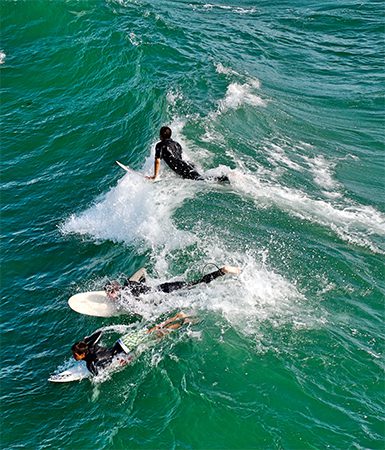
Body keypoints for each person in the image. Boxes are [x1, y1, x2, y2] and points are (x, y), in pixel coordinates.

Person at [71, 312, 192, 376]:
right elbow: (99, 333)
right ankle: (177, 316)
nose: (74, 357)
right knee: (153, 331)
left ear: (82, 354)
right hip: (123, 341)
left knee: (159, 335)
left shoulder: (90, 363)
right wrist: (87, 340)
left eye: (75, 355)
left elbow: (98, 375)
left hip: (127, 347)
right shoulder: (91, 346)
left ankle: (182, 321)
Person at [104, 265, 241, 301]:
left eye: (109, 293)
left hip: (167, 293)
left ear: (115, 290)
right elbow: (143, 270)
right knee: (198, 283)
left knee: (201, 285)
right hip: (165, 286)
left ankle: (222, 271)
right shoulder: (129, 284)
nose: (109, 296)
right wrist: (145, 283)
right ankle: (222, 271)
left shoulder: (128, 297)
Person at [146, 126, 229, 182]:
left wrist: (155, 176)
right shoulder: (176, 144)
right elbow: (178, 157)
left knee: (202, 180)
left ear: (161, 135)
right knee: (201, 178)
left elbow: (157, 161)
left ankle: (225, 178)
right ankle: (224, 177)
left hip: (183, 169)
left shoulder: (160, 145)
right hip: (187, 165)